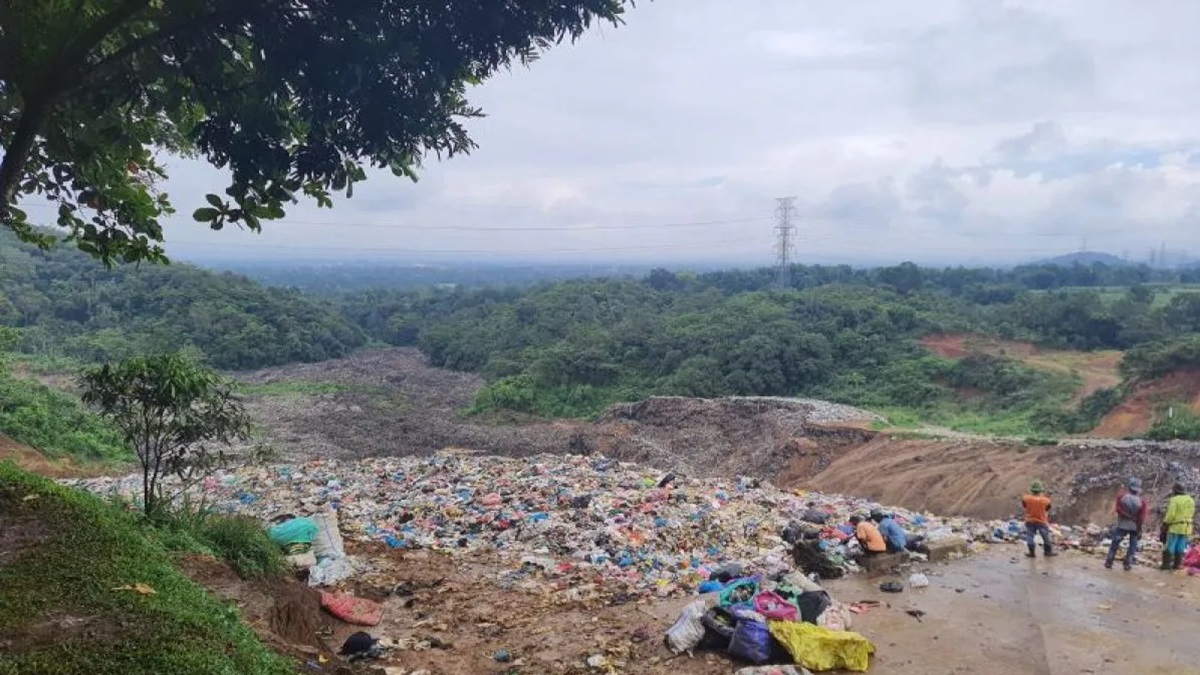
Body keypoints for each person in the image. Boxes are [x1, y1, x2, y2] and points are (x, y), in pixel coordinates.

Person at [1105, 478, 1149, 571]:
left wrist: (1128, 517)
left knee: (1115, 543)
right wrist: (1139, 529)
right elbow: (1141, 517)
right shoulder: (1142, 502)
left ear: (1129, 487)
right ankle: (1127, 563)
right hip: (1134, 526)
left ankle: (1109, 561)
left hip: (1122, 524)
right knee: (1132, 546)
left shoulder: (1121, 498)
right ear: (1138, 490)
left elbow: (1118, 510)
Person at [1162, 483, 1195, 570]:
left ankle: (1166, 565)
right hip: (1187, 527)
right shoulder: (1191, 500)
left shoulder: (1175, 499)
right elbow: (1192, 513)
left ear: (1175, 491)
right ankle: (1176, 565)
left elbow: (1171, 514)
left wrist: (1165, 523)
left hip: (1176, 526)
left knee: (1171, 545)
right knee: (1180, 546)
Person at [1020, 480, 1056, 558]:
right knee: (1045, 537)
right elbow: (1047, 508)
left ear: (1032, 490)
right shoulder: (1046, 500)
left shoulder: (1026, 498)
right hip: (1041, 521)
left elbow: (1024, 506)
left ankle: (1031, 553)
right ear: (1041, 490)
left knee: (1030, 536)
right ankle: (1047, 552)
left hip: (1030, 520)